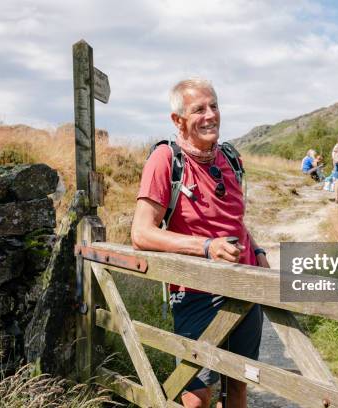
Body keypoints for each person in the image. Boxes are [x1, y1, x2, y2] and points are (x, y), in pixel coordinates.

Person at [131, 78, 268, 408]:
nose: (211, 115)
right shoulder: (166, 160)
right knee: (196, 395)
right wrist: (206, 247)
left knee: (240, 382)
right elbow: (141, 234)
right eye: (199, 109)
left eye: (214, 106)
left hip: (246, 286)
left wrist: (257, 249)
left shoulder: (231, 157)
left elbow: (232, 220)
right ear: (177, 120)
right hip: (196, 292)